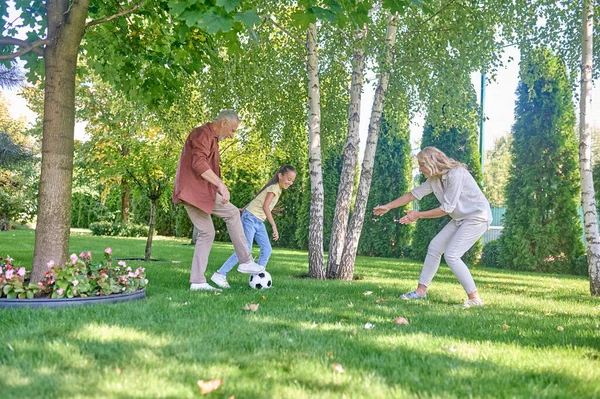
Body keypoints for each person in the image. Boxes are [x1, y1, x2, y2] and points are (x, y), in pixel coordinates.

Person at [373, 146, 492, 307]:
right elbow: (412, 195)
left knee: (452, 255)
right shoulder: (434, 180)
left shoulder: (456, 174)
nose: (420, 169)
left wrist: (418, 215)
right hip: (460, 219)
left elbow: (446, 208)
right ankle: (420, 292)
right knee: (435, 247)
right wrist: (388, 206)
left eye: (422, 165)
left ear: (432, 163)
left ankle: (475, 298)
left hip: (477, 217)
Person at [173, 110, 265, 291]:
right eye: (232, 130)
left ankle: (197, 282)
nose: (232, 135)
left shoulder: (211, 139)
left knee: (207, 232)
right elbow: (198, 164)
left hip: (196, 191)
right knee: (230, 214)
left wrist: (217, 189)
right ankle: (245, 261)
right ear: (223, 123)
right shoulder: (202, 134)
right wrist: (221, 186)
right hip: (194, 192)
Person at [210, 165, 297, 288]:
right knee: (245, 250)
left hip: (258, 221)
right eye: (288, 179)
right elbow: (265, 207)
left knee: (267, 250)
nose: (290, 182)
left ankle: (258, 277)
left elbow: (257, 200)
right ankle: (220, 273)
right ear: (280, 176)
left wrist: (243, 209)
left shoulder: (277, 189)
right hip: (251, 219)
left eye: (292, 180)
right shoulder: (273, 188)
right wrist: (274, 226)